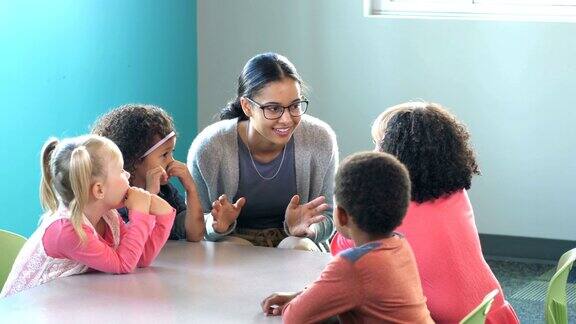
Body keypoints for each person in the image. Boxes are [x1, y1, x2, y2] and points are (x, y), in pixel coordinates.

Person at [330, 102, 519, 324]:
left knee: (353, 304)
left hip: (446, 321)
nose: (375, 152)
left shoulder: (388, 210)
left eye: (380, 144)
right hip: (490, 313)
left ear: (396, 152)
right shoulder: (457, 194)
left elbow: (342, 252)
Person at [187, 52, 338, 250]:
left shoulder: (319, 139)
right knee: (228, 251)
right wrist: (216, 225)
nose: (286, 119)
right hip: (234, 241)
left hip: (295, 242)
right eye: (274, 109)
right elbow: (197, 222)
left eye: (294, 106)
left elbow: (329, 216)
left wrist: (309, 229)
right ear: (247, 107)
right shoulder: (210, 146)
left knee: (297, 247)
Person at [262, 151, 433, 323]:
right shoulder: (400, 245)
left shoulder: (352, 264)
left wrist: (294, 304)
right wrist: (302, 295)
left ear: (342, 216)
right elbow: (345, 289)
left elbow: (294, 317)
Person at [1, 135, 175, 298]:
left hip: (63, 304)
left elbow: (138, 258)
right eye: (121, 171)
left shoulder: (109, 217)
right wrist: (140, 213)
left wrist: (163, 217)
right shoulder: (66, 229)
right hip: (25, 312)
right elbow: (123, 265)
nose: (128, 175)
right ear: (99, 190)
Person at [92, 104, 204, 241]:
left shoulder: (167, 192)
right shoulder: (119, 197)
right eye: (164, 155)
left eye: (171, 152)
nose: (171, 161)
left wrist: (191, 189)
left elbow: (194, 235)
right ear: (136, 159)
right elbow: (132, 240)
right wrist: (150, 195)